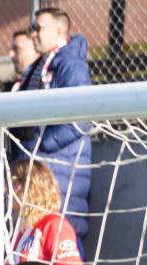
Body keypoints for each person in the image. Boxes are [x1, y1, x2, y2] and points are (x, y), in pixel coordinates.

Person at [14, 7, 92, 243]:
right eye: (30, 29)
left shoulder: (71, 65)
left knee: (61, 252)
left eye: (37, 28)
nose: (33, 34)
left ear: (59, 31)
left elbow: (79, 119)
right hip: (38, 175)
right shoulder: (39, 67)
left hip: (61, 178)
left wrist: (37, 146)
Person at [9, 160, 88, 265]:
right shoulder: (21, 230)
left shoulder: (53, 225)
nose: (7, 189)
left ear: (31, 186)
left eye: (13, 182)